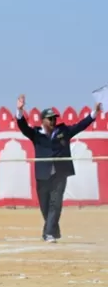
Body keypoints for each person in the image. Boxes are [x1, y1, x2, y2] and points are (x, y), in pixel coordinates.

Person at [16, 94, 100, 242]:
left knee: (56, 203)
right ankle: (52, 231)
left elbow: (80, 125)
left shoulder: (63, 131)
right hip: (42, 175)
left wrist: (94, 114)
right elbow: (22, 126)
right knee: (45, 206)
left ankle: (49, 234)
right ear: (43, 121)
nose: (54, 121)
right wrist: (20, 111)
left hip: (60, 173)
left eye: (55, 118)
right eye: (50, 119)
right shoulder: (36, 134)